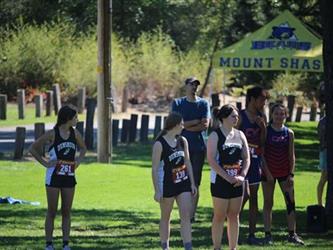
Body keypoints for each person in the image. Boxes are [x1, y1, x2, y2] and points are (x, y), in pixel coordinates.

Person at [29, 105, 87, 250]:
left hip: (69, 177)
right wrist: (45, 163)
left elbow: (84, 148)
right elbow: (32, 148)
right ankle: (49, 244)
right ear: (67, 118)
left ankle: (66, 244)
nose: (77, 120)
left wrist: (78, 162)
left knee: (67, 211)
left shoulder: (76, 134)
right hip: (54, 177)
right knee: (52, 210)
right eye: (75, 117)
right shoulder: (52, 134)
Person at [152, 112, 197, 250]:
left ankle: (188, 247)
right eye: (182, 123)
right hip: (167, 185)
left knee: (185, 214)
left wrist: (192, 183)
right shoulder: (159, 144)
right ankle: (165, 246)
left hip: (183, 183)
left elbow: (188, 162)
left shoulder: (183, 141)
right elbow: (154, 169)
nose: (184, 126)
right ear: (176, 125)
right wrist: (157, 191)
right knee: (166, 216)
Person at [207, 104, 250, 250]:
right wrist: (227, 177)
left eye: (237, 116)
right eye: (233, 116)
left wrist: (242, 176)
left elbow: (246, 158)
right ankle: (217, 247)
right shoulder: (215, 135)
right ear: (224, 117)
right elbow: (211, 160)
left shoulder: (240, 134)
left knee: (234, 216)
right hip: (220, 181)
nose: (236, 118)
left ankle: (233, 248)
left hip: (238, 182)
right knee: (219, 216)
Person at [261, 103, 304, 245]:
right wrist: (267, 173)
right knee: (268, 203)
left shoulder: (289, 133)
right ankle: (268, 235)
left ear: (286, 115)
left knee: (290, 204)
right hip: (268, 174)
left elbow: (291, 155)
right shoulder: (266, 131)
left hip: (285, 174)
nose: (279, 116)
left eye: (282, 114)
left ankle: (292, 234)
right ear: (271, 115)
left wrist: (291, 174)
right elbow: (262, 154)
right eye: (276, 114)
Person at [171, 76, 210, 222]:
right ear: (185, 86)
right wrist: (195, 122)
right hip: (179, 147)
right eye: (192, 84)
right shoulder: (178, 103)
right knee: (179, 178)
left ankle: (191, 215)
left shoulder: (203, 104)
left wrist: (186, 125)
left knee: (195, 181)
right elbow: (175, 125)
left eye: (196, 85)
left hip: (198, 147)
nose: (194, 87)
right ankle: (183, 212)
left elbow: (205, 125)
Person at [237, 86, 267, 245]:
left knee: (254, 197)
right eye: (262, 99)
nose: (264, 102)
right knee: (243, 196)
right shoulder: (240, 116)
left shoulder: (262, 116)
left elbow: (263, 143)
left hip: (255, 161)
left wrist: (262, 128)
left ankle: (251, 234)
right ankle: (233, 227)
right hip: (241, 162)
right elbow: (232, 139)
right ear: (252, 99)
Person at [317, 115, 327, 206]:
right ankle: (320, 204)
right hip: (325, 151)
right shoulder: (323, 121)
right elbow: (321, 138)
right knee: (324, 177)